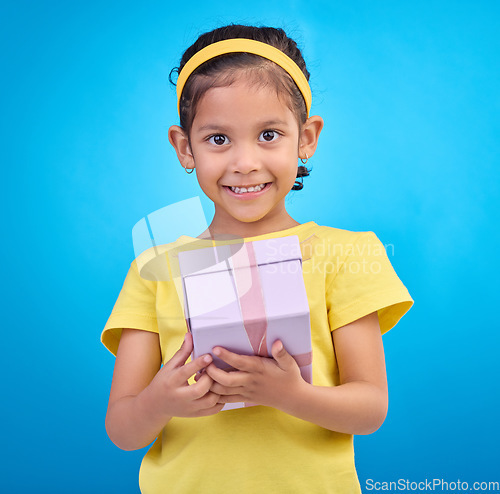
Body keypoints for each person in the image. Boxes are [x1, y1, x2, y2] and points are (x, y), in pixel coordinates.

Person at [102, 24, 413, 493]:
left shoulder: (346, 254)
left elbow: (370, 409)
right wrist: (158, 403)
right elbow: (123, 430)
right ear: (185, 147)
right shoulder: (155, 267)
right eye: (218, 139)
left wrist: (289, 395)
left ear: (306, 138)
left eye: (268, 134)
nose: (245, 162)